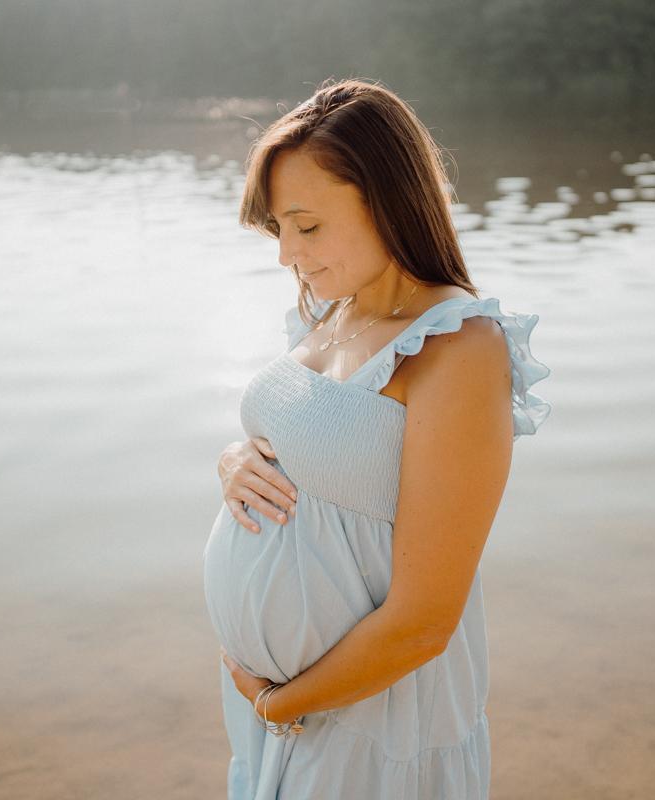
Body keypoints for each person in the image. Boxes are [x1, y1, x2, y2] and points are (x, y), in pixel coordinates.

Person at [202, 77, 551, 799]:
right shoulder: (335, 311)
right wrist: (236, 459)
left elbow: (424, 621)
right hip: (284, 717)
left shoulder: (459, 348)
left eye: (306, 225)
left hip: (371, 725)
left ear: (386, 200)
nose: (286, 256)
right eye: (279, 229)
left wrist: (278, 702)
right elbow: (312, 446)